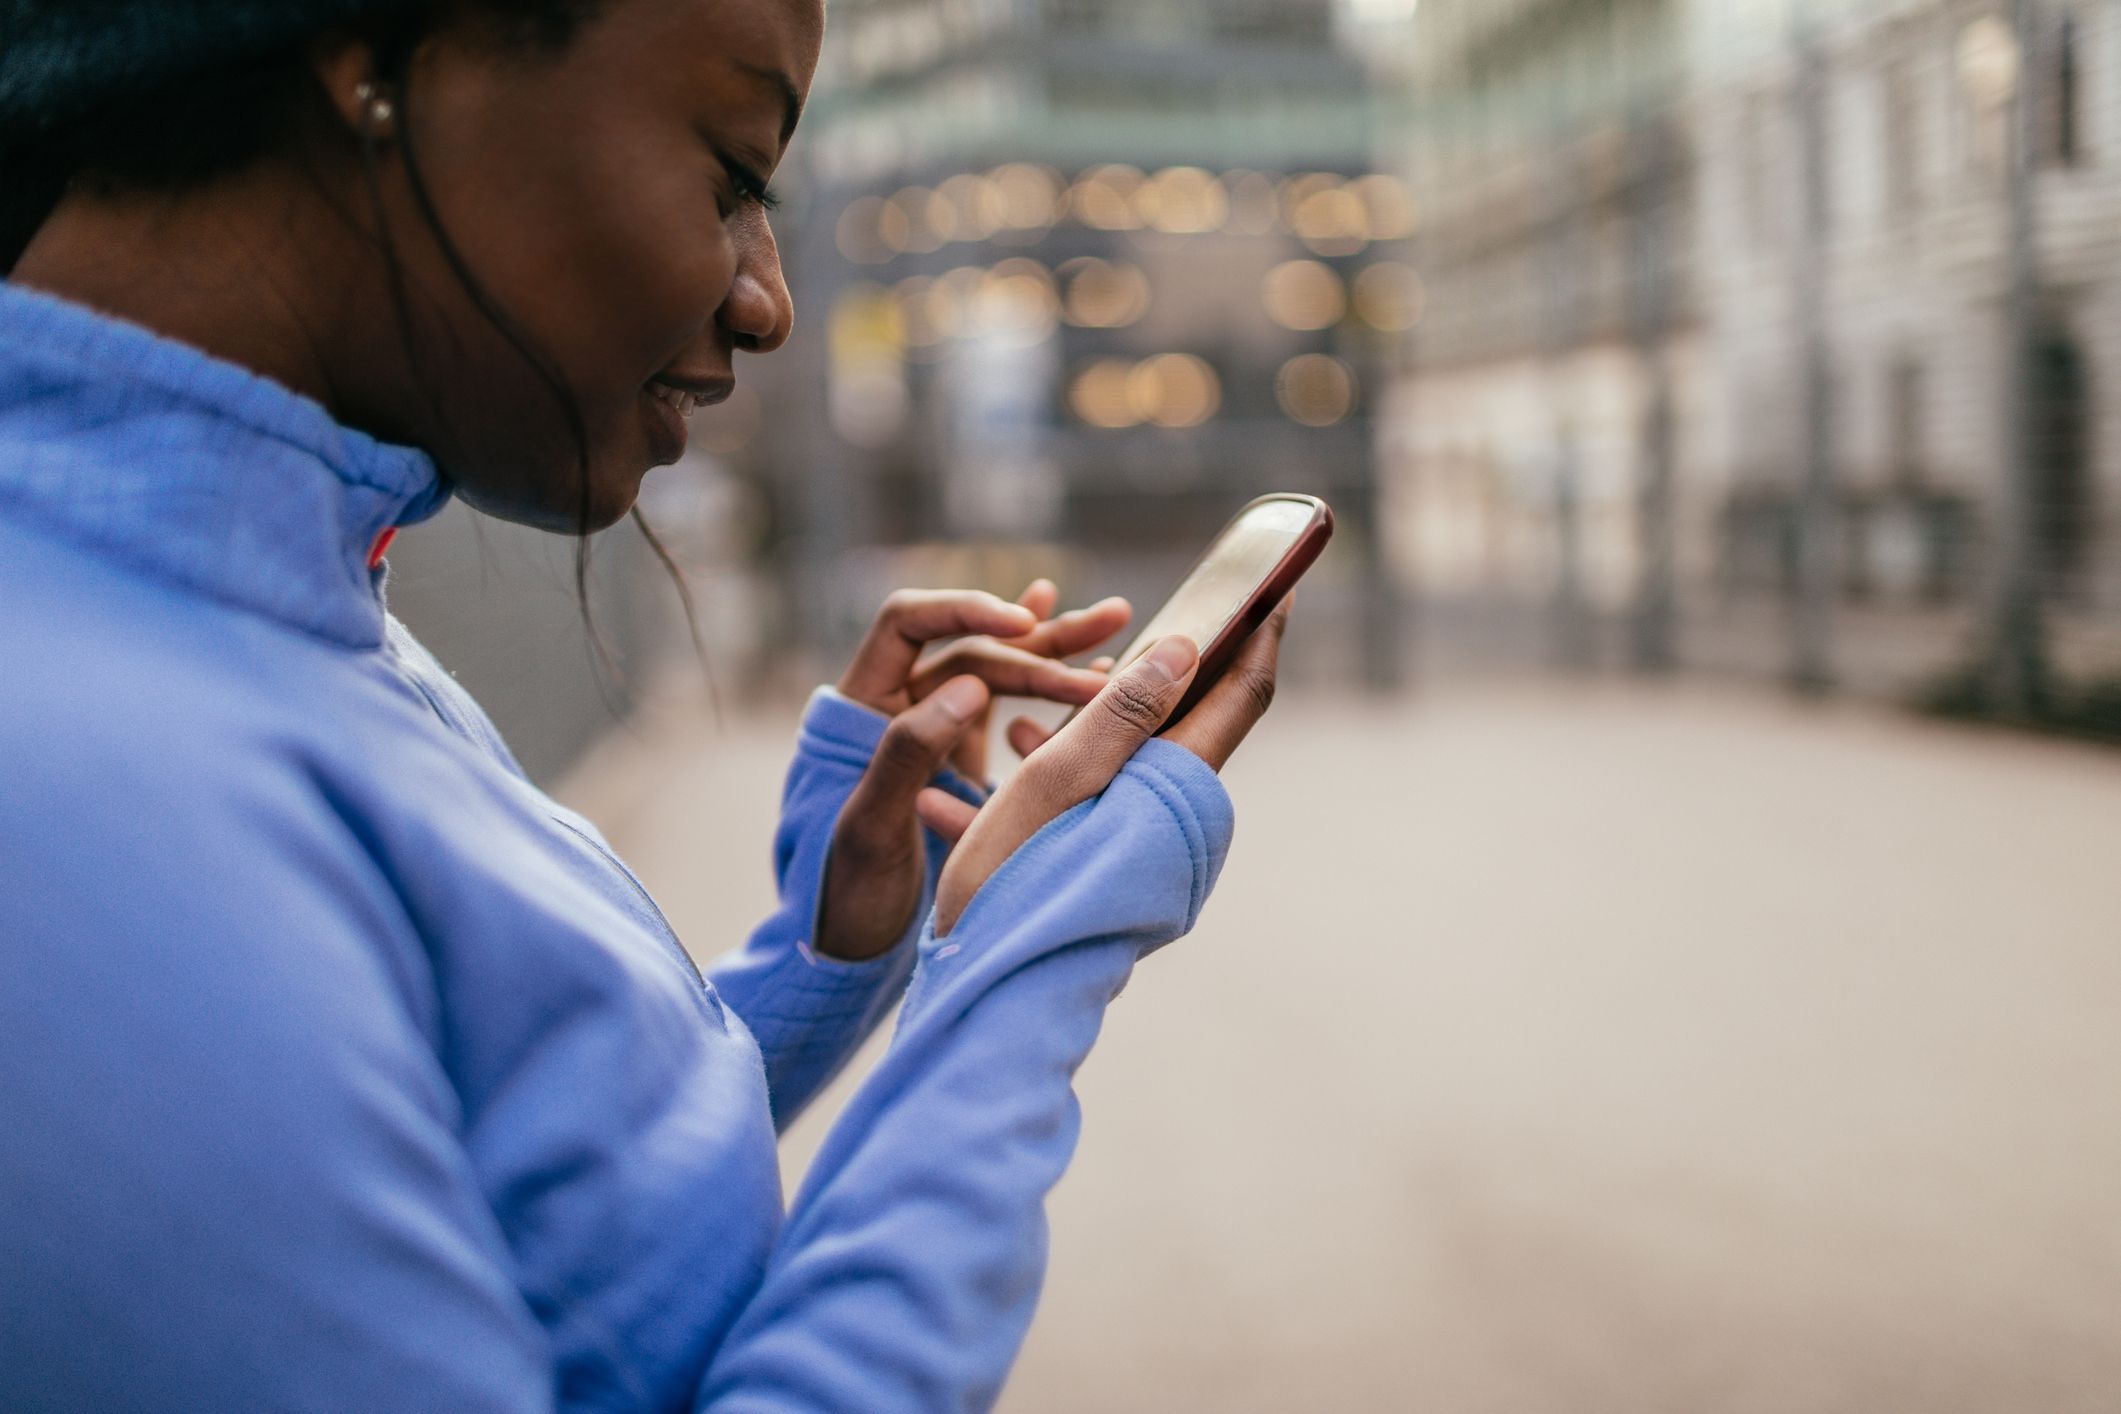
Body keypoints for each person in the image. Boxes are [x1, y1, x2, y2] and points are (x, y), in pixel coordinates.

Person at [0, 1, 1289, 1409]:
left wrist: (825, 955)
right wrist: (1023, 961)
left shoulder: (268, 592)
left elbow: (543, 1213)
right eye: (733, 174)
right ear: (370, 59)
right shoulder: (66, 811)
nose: (768, 302)